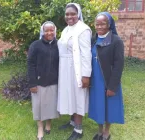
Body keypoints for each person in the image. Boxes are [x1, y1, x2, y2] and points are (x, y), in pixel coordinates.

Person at [57, 3, 92, 140]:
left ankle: (78, 130)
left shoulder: (84, 30)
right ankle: (72, 122)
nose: (69, 16)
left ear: (78, 14)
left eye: (73, 13)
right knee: (69, 95)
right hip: (65, 68)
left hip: (77, 69)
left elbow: (86, 54)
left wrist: (86, 75)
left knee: (78, 97)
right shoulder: (66, 30)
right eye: (67, 14)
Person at [88, 12, 125, 140]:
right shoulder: (94, 39)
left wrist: (112, 86)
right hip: (95, 80)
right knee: (98, 105)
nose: (99, 27)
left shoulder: (116, 41)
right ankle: (99, 130)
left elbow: (118, 65)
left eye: (103, 24)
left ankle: (106, 131)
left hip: (107, 80)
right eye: (97, 24)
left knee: (109, 106)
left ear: (109, 24)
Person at [27, 21, 59, 140]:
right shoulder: (35, 45)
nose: (49, 32)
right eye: (46, 30)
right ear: (42, 32)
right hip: (39, 81)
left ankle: (48, 123)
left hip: (53, 81)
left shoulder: (59, 45)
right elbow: (30, 64)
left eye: (52, 30)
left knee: (51, 104)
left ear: (55, 31)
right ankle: (40, 128)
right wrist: (32, 82)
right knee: (39, 105)